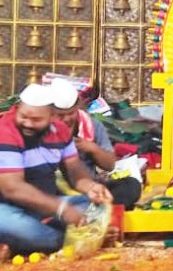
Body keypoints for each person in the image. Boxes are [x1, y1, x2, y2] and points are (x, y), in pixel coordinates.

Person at [0, 83, 112, 257]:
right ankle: (67, 238)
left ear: (52, 116)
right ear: (17, 108)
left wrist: (90, 187)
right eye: (23, 116)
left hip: (43, 210)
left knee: (96, 206)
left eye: (36, 120)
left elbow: (75, 171)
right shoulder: (1, 133)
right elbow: (13, 189)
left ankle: (24, 242)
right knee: (4, 222)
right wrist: (62, 210)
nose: (27, 123)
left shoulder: (60, 131)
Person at [49, 79, 142, 210]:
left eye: (70, 113)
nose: (66, 119)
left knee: (131, 186)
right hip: (56, 188)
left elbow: (110, 165)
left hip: (89, 186)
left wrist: (92, 148)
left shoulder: (92, 125)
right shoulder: (44, 127)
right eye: (60, 115)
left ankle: (87, 206)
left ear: (78, 107)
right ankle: (88, 207)